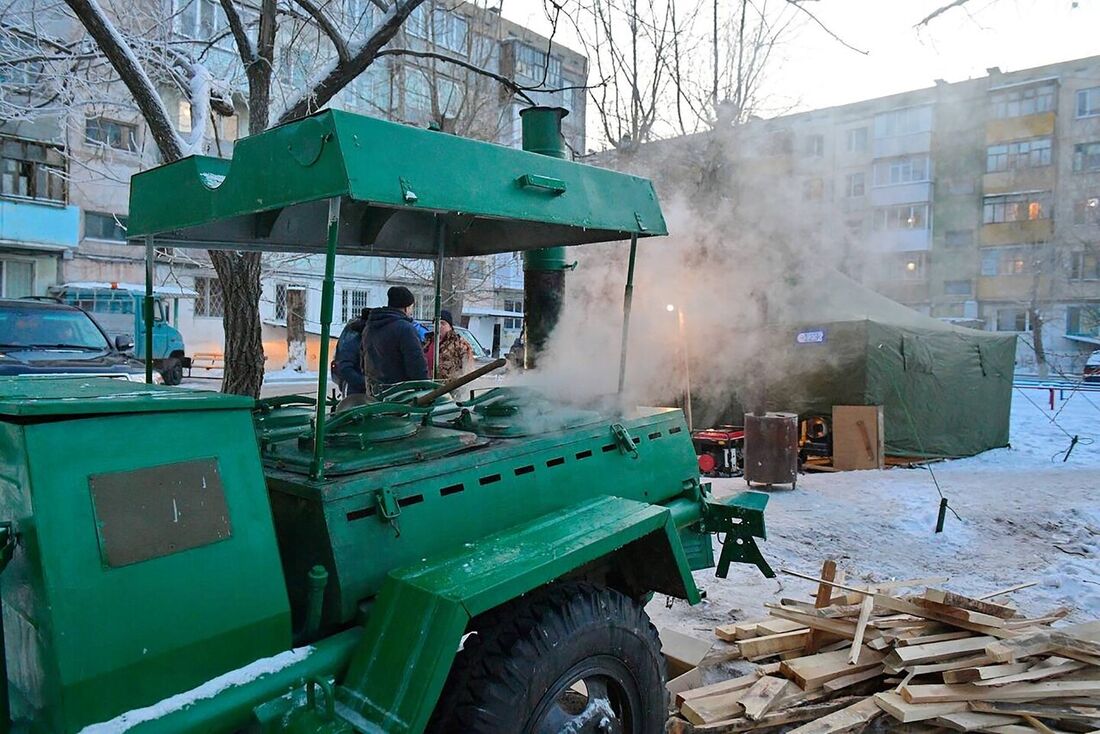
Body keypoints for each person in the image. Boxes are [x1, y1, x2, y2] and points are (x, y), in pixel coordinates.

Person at [361, 286, 428, 392]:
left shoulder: (369, 327)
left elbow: (363, 360)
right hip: (399, 394)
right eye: (411, 307)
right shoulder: (405, 329)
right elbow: (416, 365)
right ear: (406, 307)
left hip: (374, 390)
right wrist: (425, 387)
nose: (411, 312)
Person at [423, 309, 474, 382]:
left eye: (443, 323)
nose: (439, 326)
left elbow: (468, 369)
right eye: (436, 323)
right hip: (428, 385)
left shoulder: (459, 344)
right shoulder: (427, 343)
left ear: (450, 326)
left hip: (449, 388)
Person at [331, 308, 370, 395]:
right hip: (358, 394)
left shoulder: (353, 341)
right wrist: (365, 382)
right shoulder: (353, 343)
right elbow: (345, 368)